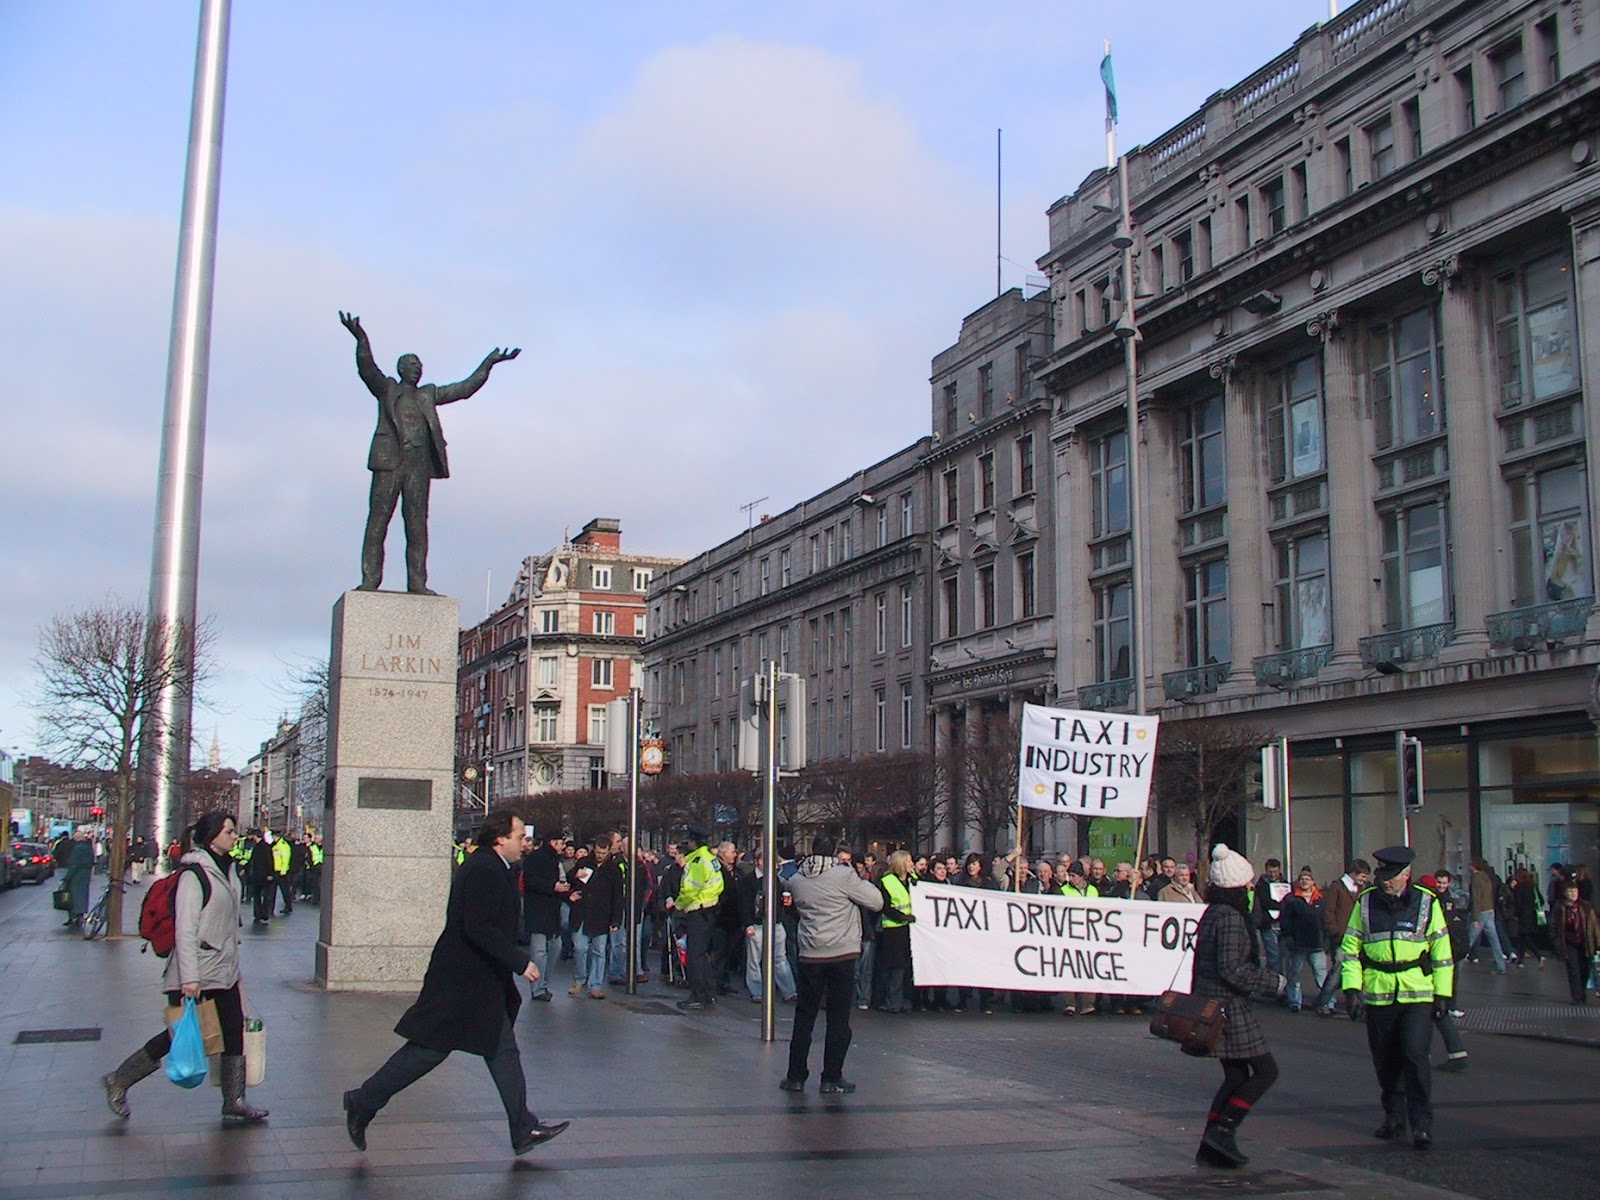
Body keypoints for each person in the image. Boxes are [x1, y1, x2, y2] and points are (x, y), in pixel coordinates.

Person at [341, 810, 568, 1155]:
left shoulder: (497, 868)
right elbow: (478, 927)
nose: (525, 842)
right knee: (427, 1051)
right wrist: (520, 962)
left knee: (500, 1050)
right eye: (520, 835)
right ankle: (363, 1100)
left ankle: (522, 1127)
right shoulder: (483, 869)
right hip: (462, 983)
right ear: (500, 838)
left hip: (479, 982)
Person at [100, 812, 267, 1125]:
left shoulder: (228, 869)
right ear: (212, 835)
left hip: (224, 968)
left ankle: (235, 1100)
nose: (234, 837)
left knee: (233, 1031)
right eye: (229, 832)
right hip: (198, 970)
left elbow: (229, 923)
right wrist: (189, 978)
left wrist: (237, 973)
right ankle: (119, 1080)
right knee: (179, 1035)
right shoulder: (195, 874)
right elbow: (185, 929)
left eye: (234, 831)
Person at [340, 311, 519, 594]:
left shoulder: (428, 394)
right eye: (411, 364)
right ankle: (370, 579)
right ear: (401, 368)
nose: (417, 368)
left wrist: (489, 364)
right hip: (389, 462)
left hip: (418, 467)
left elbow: (464, 389)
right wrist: (361, 338)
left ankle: (418, 583)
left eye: (419, 365)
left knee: (417, 528)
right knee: (377, 523)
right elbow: (366, 367)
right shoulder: (386, 388)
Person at [1340, 845, 1455, 1150]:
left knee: (1415, 1056)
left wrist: (1443, 994)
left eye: (1392, 876)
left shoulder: (1427, 903)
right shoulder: (1365, 903)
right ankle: (1394, 1118)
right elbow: (1350, 949)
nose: (1385, 881)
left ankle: (1421, 1124)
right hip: (1378, 993)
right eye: (1382, 875)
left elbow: (1442, 953)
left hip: (1417, 993)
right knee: (1386, 1060)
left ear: (1406, 875)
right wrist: (1352, 989)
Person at [1190, 844, 1286, 1168]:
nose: (1250, 890)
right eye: (1247, 885)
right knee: (1265, 1071)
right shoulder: (1231, 917)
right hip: (1228, 1009)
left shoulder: (1213, 912)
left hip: (1214, 1005)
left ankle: (1210, 1142)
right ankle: (1224, 1129)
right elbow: (1231, 968)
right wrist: (1271, 982)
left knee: (1234, 1078)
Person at [780, 841, 884, 1095]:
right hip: (841, 953)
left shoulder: (798, 878)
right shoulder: (843, 875)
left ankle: (795, 1076)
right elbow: (876, 901)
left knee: (805, 1016)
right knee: (838, 1019)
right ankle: (831, 1077)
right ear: (834, 853)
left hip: (810, 954)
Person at [675, 826, 724, 1011]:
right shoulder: (711, 859)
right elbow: (718, 885)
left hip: (697, 909)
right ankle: (709, 993)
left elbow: (689, 889)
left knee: (694, 955)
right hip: (710, 909)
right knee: (702, 954)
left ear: (694, 842)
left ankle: (698, 995)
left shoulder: (696, 861)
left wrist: (679, 905)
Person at [1314, 859, 1370, 1014]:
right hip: (1341, 938)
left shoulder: (1362, 889)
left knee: (1356, 971)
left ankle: (1355, 1004)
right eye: (1363, 876)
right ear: (1354, 873)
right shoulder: (1337, 887)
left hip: (1359, 938)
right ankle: (1322, 1001)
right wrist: (1335, 932)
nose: (1364, 880)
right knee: (1338, 972)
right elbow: (1328, 912)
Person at [521, 830, 568, 1002]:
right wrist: (552, 886)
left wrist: (567, 894)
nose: (562, 846)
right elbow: (530, 882)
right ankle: (537, 987)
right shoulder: (535, 858)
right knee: (539, 951)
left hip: (552, 910)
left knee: (556, 947)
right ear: (551, 842)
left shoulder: (556, 861)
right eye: (559, 843)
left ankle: (543, 983)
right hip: (538, 911)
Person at [1279, 868, 1330, 1012]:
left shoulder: (1321, 899)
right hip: (1297, 944)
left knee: (1322, 976)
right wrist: (1288, 936)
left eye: (1307, 879)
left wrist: (1327, 939)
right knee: (1294, 975)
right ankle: (1294, 1001)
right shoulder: (1290, 899)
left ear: (1313, 882)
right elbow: (1285, 919)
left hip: (1317, 944)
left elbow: (1326, 920)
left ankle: (1327, 1002)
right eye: (1302, 879)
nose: (1304, 881)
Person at [875, 851, 916, 1014]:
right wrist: (902, 917)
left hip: (909, 927)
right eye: (909, 861)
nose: (912, 864)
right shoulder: (887, 881)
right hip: (893, 929)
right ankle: (892, 1001)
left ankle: (902, 1000)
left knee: (904, 967)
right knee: (894, 968)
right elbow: (885, 906)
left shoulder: (914, 880)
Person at [1550, 878, 1600, 1005]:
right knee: (1573, 969)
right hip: (1568, 942)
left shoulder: (1586, 906)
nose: (1573, 894)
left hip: (1585, 941)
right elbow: (1553, 925)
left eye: (1575, 891)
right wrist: (1555, 940)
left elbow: (1594, 926)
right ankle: (1577, 997)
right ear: (1565, 893)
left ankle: (1582, 993)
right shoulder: (1560, 907)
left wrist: (1597, 942)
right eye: (1570, 892)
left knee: (1584, 969)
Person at [1466, 859, 1507, 973]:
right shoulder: (1487, 877)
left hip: (1480, 911)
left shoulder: (1476, 878)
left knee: (1469, 939)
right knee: (1494, 940)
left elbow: (1476, 898)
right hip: (1489, 910)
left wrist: (1475, 917)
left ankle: (1456, 965)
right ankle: (1501, 965)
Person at [60, 829, 94, 928]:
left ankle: (73, 916)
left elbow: (74, 864)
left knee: (73, 896)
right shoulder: (88, 848)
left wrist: (67, 877)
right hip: (86, 874)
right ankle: (80, 915)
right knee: (83, 895)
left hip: (77, 875)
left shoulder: (77, 848)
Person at [247, 832, 277, 925]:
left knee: (258, 895)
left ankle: (258, 914)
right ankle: (263, 914)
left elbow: (268, 861)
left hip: (259, 875)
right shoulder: (266, 847)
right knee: (264, 895)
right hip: (263, 875)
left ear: (256, 836)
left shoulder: (259, 847)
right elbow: (270, 861)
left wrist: (270, 873)